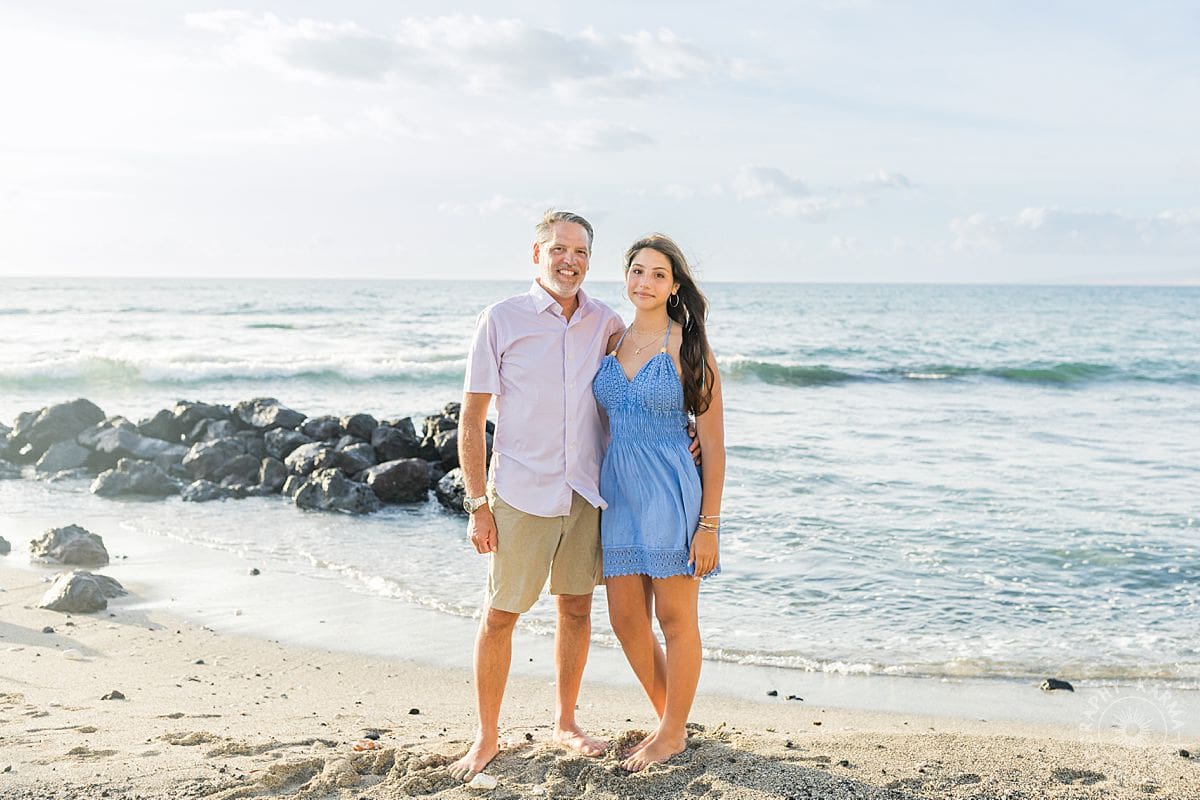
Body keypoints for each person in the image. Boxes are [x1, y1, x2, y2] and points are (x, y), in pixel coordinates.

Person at [449, 210, 625, 782]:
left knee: (576, 605)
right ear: (537, 254)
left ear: (589, 260)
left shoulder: (606, 321)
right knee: (501, 615)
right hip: (521, 492)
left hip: (584, 490)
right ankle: (487, 736)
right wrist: (478, 504)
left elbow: (639, 381)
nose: (569, 260)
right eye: (558, 250)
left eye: (579, 251)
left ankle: (566, 723)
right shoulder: (501, 320)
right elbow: (472, 419)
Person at [592, 233, 725, 772]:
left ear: (674, 287)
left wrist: (709, 525)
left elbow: (713, 443)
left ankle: (671, 733)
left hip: (672, 489)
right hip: (618, 491)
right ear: (625, 277)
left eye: (658, 275)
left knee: (675, 619)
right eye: (637, 271)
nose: (645, 282)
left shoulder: (689, 346)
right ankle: (671, 719)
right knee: (626, 620)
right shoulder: (608, 340)